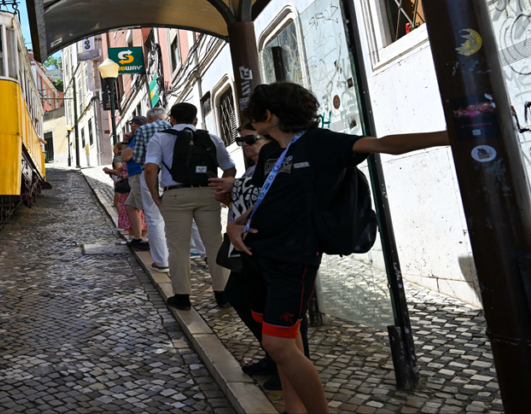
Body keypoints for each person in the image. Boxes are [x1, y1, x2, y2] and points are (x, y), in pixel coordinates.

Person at [227, 82, 449, 414]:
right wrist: (235, 224)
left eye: (252, 117)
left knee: (277, 344)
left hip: (293, 259)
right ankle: (294, 408)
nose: (249, 126)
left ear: (268, 115)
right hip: (258, 256)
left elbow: (387, 145)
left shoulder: (321, 144)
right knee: (284, 341)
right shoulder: (271, 151)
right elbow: (266, 198)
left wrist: (453, 134)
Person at [209, 122, 306, 391]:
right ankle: (275, 357)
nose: (246, 146)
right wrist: (229, 198)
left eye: (251, 139)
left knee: (282, 310)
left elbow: (272, 198)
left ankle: (290, 363)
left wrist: (236, 184)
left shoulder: (281, 163)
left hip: (272, 247)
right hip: (247, 247)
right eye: (241, 141)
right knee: (246, 299)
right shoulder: (255, 168)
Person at [143, 103, 236, 311]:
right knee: (214, 243)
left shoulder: (160, 138)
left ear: (171, 119)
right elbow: (230, 167)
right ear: (195, 119)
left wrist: (156, 197)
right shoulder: (212, 138)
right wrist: (222, 189)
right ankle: (223, 294)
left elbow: (150, 170)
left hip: (175, 194)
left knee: (178, 246)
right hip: (208, 193)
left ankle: (183, 297)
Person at [123, 108, 172, 271]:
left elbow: (135, 157)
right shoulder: (173, 127)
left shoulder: (143, 130)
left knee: (153, 216)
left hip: (149, 173)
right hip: (173, 174)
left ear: (149, 118)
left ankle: (162, 261)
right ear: (166, 117)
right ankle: (194, 251)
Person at [120, 117, 150, 251]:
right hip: (135, 174)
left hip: (138, 174)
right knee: (130, 206)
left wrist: (126, 141)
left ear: (134, 125)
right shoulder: (138, 135)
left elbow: (125, 157)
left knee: (145, 207)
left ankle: (151, 240)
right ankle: (137, 239)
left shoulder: (138, 135)